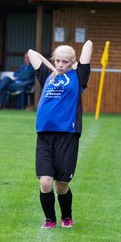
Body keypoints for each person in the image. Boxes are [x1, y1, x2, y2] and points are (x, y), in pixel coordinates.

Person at [28, 40, 93, 229]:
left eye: (65, 62)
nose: (61, 64)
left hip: (68, 135)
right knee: (46, 181)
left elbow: (88, 45)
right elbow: (32, 52)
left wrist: (75, 64)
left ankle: (67, 216)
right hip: (45, 135)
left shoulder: (78, 77)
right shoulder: (48, 75)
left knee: (61, 185)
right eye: (58, 61)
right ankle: (50, 220)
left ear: (72, 63)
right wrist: (52, 68)